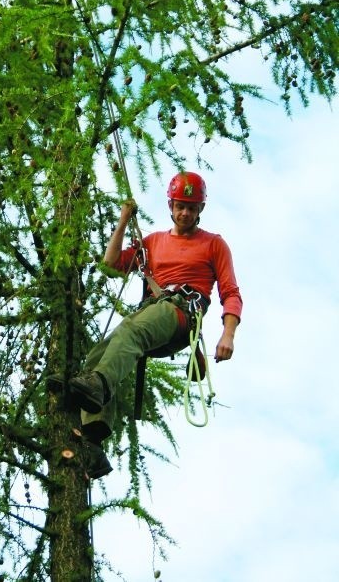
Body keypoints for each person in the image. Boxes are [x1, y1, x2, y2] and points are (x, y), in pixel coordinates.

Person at [73, 172, 243, 479]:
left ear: (200, 209)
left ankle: (99, 385)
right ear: (171, 205)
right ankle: (94, 441)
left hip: (181, 313)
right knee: (98, 354)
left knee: (130, 331)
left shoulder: (214, 244)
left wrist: (227, 334)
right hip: (154, 313)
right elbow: (110, 266)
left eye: (192, 208)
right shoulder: (152, 243)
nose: (185, 213)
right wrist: (124, 219)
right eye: (180, 206)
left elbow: (230, 293)